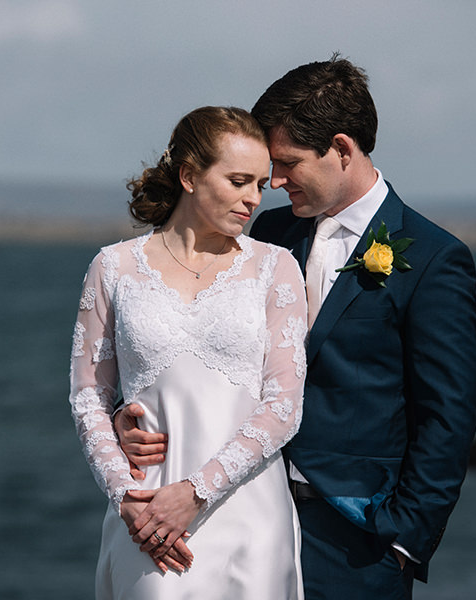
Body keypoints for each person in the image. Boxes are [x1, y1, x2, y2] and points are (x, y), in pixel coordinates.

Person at [116, 56, 476, 599]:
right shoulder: (270, 231)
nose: (274, 182)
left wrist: (404, 541)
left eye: (287, 164)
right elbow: (204, 345)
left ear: (342, 148)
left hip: (355, 539)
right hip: (238, 512)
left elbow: (447, 414)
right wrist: (133, 413)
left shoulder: (434, 258)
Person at [68, 106, 307, 599]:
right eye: (239, 180)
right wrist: (125, 496)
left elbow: (284, 405)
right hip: (148, 515)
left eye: (260, 185)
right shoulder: (112, 268)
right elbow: (89, 394)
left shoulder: (275, 268)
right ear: (190, 176)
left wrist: (196, 493)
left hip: (249, 516)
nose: (253, 200)